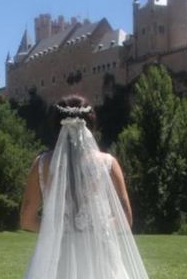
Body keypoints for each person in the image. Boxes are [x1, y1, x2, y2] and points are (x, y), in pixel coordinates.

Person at [20, 94, 149, 279]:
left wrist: (58, 229)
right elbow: (125, 219)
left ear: (56, 126)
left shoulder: (41, 164)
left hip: (56, 258)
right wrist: (97, 227)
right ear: (91, 126)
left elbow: (26, 219)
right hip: (100, 257)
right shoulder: (108, 164)